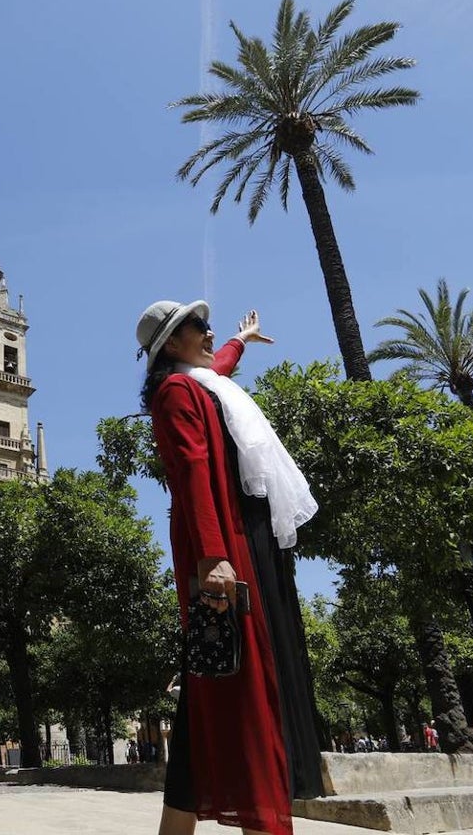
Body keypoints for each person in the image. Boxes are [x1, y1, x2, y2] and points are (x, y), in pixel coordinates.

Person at [136, 300, 322, 835]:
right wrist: (215, 556)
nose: (208, 331)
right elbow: (193, 472)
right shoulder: (176, 393)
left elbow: (217, 369)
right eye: (198, 327)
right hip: (225, 544)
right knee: (241, 686)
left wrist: (243, 340)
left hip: (243, 533)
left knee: (212, 691)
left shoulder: (199, 383)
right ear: (172, 344)